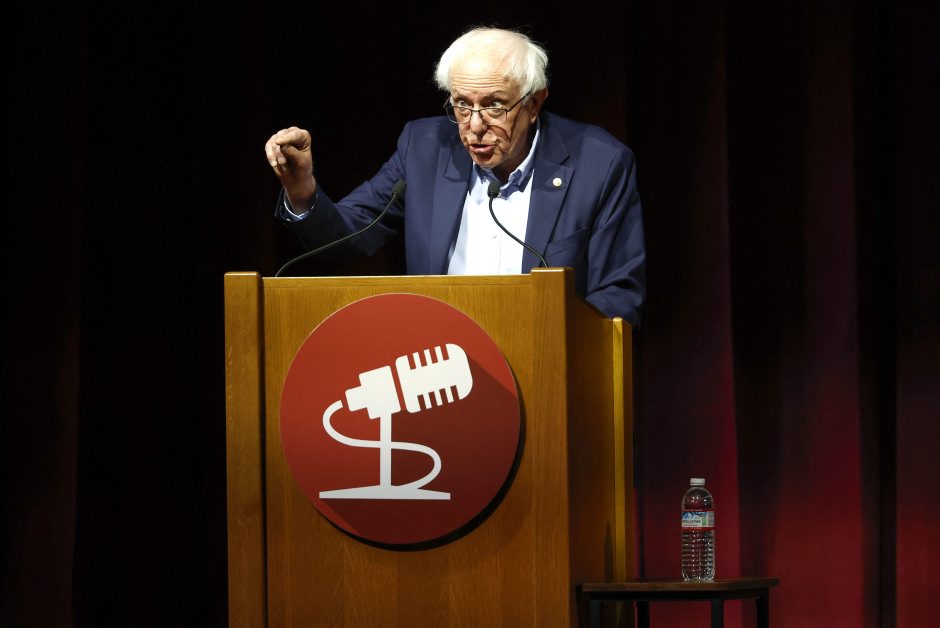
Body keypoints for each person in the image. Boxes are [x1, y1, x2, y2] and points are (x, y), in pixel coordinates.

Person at [265, 27, 646, 326]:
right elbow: (348, 236)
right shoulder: (424, 149)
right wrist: (302, 189)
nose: (474, 126)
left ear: (534, 103)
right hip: (439, 369)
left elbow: (618, 297)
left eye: (494, 106)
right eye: (462, 104)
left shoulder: (598, 164)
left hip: (545, 369)